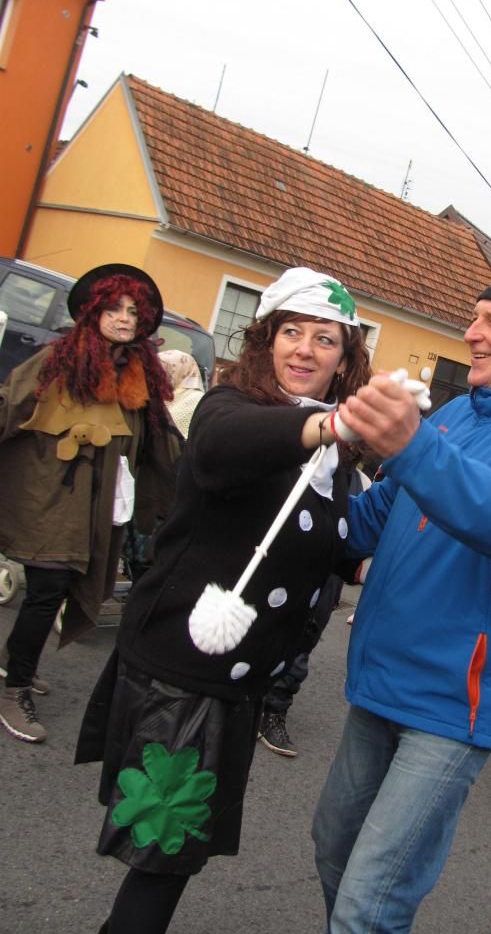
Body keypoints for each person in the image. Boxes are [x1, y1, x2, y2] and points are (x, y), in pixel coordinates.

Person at [74, 266, 372, 934]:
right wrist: (327, 425)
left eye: (325, 339)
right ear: (266, 339)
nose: (305, 350)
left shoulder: (335, 455)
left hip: (238, 683)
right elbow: (220, 449)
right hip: (183, 671)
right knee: (164, 849)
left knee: (173, 853)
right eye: (291, 332)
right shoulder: (232, 405)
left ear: (345, 358)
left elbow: (320, 541)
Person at [311, 271, 491, 934]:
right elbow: (369, 519)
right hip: (383, 676)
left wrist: (415, 447)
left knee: (371, 899)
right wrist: (298, 493)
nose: (472, 333)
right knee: (333, 847)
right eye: (474, 318)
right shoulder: (457, 413)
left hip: (454, 702)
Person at [0, 264, 180, 744]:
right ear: (93, 311)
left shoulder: (139, 374)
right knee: (47, 588)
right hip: (51, 497)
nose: (124, 318)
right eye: (114, 308)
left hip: (100, 506)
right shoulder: (58, 360)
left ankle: (13, 661)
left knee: (64, 587)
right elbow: (9, 406)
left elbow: (161, 443)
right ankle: (15, 687)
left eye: (133, 311)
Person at [258, 466, 371, 758]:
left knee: (305, 638)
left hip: (326, 577)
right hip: (279, 569)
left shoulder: (359, 482)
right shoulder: (299, 460)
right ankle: (249, 701)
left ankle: (274, 710)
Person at [157, 348, 206, 439]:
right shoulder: (164, 394)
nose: (156, 377)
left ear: (178, 370)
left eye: (163, 372)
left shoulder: (195, 400)